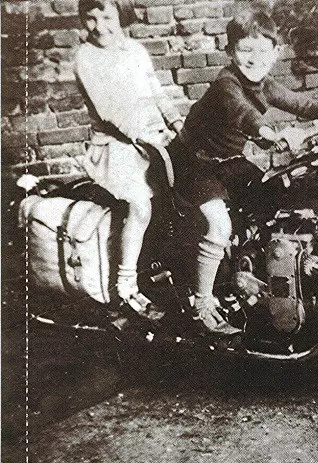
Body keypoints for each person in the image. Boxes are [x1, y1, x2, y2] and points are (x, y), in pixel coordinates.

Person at [172, 8, 318, 336]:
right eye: (245, 50)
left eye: (262, 50)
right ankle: (203, 304)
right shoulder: (226, 84)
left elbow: (295, 101)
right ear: (230, 52)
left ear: (276, 53)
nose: (254, 58)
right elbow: (244, 115)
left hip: (228, 162)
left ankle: (253, 278)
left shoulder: (265, 84)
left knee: (274, 200)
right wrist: (269, 133)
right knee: (218, 225)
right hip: (194, 163)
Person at [75, 0, 183, 317]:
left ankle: (163, 272)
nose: (100, 27)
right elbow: (108, 111)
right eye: (91, 18)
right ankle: (126, 287)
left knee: (178, 197)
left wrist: (177, 124)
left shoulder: (135, 51)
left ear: (120, 16)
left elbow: (155, 91)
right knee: (140, 206)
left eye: (107, 17)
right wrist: (144, 136)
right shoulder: (86, 57)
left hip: (148, 142)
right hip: (115, 147)